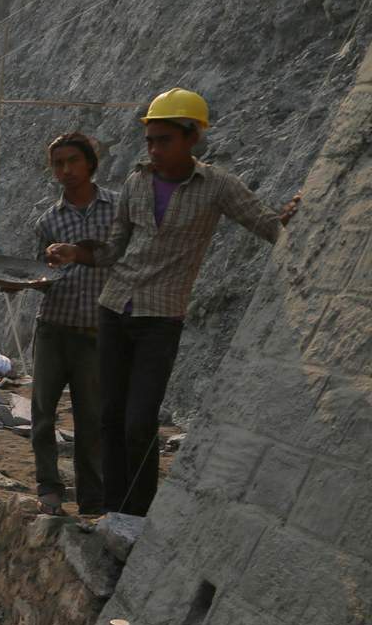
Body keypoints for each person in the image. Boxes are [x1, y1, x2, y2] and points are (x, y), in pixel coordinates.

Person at [45, 88, 301, 516]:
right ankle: (113, 511)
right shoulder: (136, 181)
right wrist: (76, 253)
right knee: (108, 418)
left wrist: (291, 219)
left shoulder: (217, 186)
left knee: (140, 422)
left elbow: (266, 225)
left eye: (164, 140)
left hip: (160, 319)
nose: (154, 149)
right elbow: (113, 250)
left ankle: (137, 515)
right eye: (150, 140)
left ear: (192, 138)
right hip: (114, 309)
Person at [31, 132, 117, 516]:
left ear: (90, 163)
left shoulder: (116, 209)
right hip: (53, 327)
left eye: (72, 162)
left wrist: (80, 255)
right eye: (57, 164)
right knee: (42, 413)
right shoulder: (48, 221)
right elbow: (41, 275)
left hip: (97, 330)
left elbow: (125, 258)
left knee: (91, 419)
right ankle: (49, 487)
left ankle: (92, 499)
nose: (65, 170)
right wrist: (27, 281)